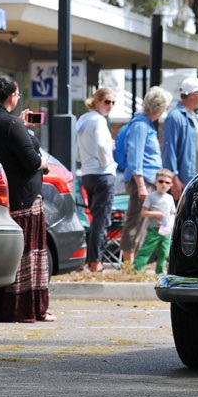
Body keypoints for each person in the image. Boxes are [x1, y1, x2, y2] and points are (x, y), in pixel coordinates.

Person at [0, 75, 55, 323]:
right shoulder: (11, 125)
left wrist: (20, 126)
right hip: (22, 201)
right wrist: (44, 162)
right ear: (11, 97)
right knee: (27, 257)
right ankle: (26, 309)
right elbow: (30, 161)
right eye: (17, 94)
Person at [120, 86, 172, 267]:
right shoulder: (140, 126)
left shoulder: (145, 124)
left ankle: (135, 265)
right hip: (142, 182)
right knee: (135, 221)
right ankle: (128, 265)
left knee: (143, 223)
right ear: (158, 107)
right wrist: (140, 184)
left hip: (149, 180)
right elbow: (135, 157)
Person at [76, 87, 117, 273]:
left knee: (94, 220)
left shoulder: (83, 119)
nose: (110, 106)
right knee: (100, 221)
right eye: (107, 101)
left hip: (87, 173)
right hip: (102, 173)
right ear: (97, 101)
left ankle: (88, 259)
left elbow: (79, 147)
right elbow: (101, 144)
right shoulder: (99, 120)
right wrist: (107, 160)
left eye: (113, 102)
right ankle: (95, 262)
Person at [162, 76, 198, 197]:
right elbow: (169, 149)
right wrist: (174, 179)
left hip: (196, 181)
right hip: (184, 182)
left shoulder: (193, 116)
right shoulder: (175, 117)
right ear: (193, 95)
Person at [133, 168, 176, 274]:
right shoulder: (151, 196)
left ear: (171, 185)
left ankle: (160, 272)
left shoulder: (170, 198)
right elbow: (144, 213)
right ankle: (136, 269)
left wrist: (171, 224)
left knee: (164, 252)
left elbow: (172, 213)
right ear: (155, 182)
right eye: (161, 181)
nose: (163, 184)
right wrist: (156, 214)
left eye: (167, 182)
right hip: (154, 229)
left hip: (166, 230)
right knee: (146, 250)